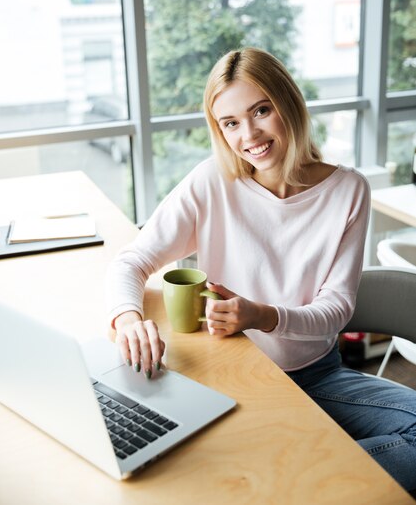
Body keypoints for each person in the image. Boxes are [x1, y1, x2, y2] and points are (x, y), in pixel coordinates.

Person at [106, 47, 416, 493]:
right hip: (228, 375)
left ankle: (290, 485)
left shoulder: (348, 190)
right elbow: (132, 261)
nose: (249, 134)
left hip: (313, 374)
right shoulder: (212, 181)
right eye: (230, 123)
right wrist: (129, 319)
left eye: (261, 110)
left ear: (288, 102)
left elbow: (337, 307)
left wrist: (262, 315)